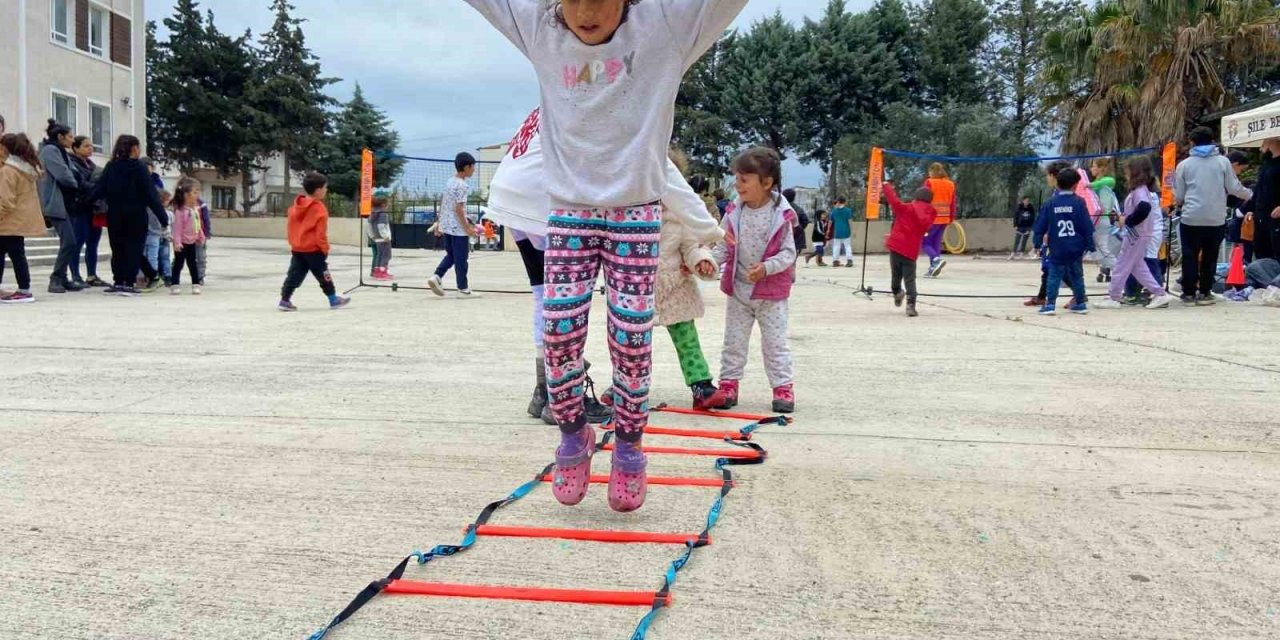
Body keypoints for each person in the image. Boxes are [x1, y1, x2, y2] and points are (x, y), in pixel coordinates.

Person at [465, 0, 748, 513]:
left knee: (631, 334)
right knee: (558, 330)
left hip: (635, 214)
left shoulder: (665, 26)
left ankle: (631, 446)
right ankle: (574, 435)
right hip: (570, 212)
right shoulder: (542, 27)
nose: (586, 11)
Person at [707, 147, 796, 414]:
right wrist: (709, 262)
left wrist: (767, 268)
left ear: (766, 183)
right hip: (739, 291)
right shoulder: (735, 211)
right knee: (733, 341)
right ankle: (729, 384)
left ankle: (783, 387)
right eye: (737, 178)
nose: (737, 184)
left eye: (744, 179)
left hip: (770, 294)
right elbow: (725, 246)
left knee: (775, 343)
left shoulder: (780, 214)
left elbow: (789, 253)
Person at [661, 148, 726, 409]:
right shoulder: (629, 210)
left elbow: (691, 246)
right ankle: (623, 386)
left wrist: (701, 260)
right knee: (630, 345)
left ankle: (702, 387)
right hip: (636, 289)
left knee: (687, 338)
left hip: (673, 286)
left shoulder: (682, 215)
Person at [1174, 127, 1252, 305]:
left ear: (1192, 143)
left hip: (1191, 217)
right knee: (1210, 255)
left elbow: (1179, 195)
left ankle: (1188, 293)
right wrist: (1251, 195)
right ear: (1212, 141)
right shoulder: (1223, 162)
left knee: (1189, 255)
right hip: (1216, 217)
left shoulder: (1184, 165)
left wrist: (1179, 203)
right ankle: (1205, 292)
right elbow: (1234, 188)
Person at [1094, 156, 1178, 310]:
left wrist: (1128, 220)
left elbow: (1144, 208)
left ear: (1135, 172)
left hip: (1136, 235)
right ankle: (1159, 293)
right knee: (1138, 267)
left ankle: (1114, 297)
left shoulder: (1139, 191)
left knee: (1122, 264)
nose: (1126, 175)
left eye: (1127, 171)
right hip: (1139, 234)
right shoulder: (1142, 190)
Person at [88, 135, 168, 297]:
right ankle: (128, 283)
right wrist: (163, 218)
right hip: (136, 215)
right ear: (134, 149)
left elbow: (99, 189)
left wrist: (83, 201)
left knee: (118, 248)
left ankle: (119, 281)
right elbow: (151, 194)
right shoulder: (139, 168)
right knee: (133, 248)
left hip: (115, 214)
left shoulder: (111, 166)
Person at [278, 172, 349, 311]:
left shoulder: (293, 208)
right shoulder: (319, 209)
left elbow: (290, 228)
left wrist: (294, 243)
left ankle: (284, 300)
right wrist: (324, 249)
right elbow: (320, 233)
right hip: (314, 250)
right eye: (325, 187)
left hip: (297, 248)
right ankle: (333, 299)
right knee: (324, 275)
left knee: (294, 274)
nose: (326, 190)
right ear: (318, 190)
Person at [1033, 168, 1095, 315]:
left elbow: (1040, 225)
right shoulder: (1079, 202)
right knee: (1077, 275)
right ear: (1075, 185)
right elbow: (1086, 225)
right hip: (1075, 247)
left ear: (1058, 184)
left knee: (1054, 275)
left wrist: (1036, 243)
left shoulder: (1050, 203)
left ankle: (1050, 305)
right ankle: (1080, 303)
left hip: (1057, 247)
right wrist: (1090, 244)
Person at [37, 119, 85, 293]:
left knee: (69, 241)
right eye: (70, 136)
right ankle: (56, 278)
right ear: (60, 137)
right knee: (70, 242)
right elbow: (65, 175)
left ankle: (63, 278)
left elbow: (74, 172)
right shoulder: (50, 151)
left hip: (65, 203)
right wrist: (77, 183)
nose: (73, 140)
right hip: (55, 203)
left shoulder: (59, 151)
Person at [0, 134, 47, 304]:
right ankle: (24, 289)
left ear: (5, 148)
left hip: (7, 222)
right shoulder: (25, 169)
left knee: (13, 255)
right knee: (17, 255)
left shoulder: (8, 171)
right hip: (17, 221)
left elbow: (6, 201)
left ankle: (24, 290)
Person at [427, 152, 479, 297]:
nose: (474, 169)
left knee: (451, 255)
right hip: (458, 229)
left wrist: (439, 223)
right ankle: (463, 289)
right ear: (466, 167)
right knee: (461, 259)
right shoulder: (462, 185)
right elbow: (458, 208)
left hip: (447, 227)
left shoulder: (450, 181)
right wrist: (467, 228)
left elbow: (444, 204)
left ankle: (437, 276)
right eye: (473, 166)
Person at [882, 181, 936, 318]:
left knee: (896, 275)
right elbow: (927, 228)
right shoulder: (931, 213)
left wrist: (886, 186)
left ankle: (897, 292)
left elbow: (894, 201)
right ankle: (911, 306)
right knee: (910, 279)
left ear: (916, 197)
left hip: (896, 246)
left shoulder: (906, 208)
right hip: (911, 250)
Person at [1025, 161, 1075, 307]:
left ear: (1054, 176)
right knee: (1048, 267)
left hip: (1060, 238)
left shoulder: (1063, 196)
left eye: (1048, 175)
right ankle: (1042, 296)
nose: (1046, 178)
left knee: (1061, 268)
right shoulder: (1056, 194)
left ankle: (1080, 295)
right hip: (1052, 237)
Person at [68, 136, 107, 287]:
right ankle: (75, 275)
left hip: (95, 208)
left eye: (91, 146)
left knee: (93, 242)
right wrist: (97, 186)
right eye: (86, 146)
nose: (90, 148)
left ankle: (92, 274)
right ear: (76, 148)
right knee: (78, 242)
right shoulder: (72, 164)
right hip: (80, 208)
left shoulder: (92, 165)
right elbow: (79, 183)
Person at [169, 185, 205, 295]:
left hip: (192, 241)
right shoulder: (180, 212)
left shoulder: (194, 210)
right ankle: (175, 284)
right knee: (178, 264)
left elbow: (197, 224)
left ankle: (196, 284)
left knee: (192, 263)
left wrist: (200, 235)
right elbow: (177, 228)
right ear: (186, 195)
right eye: (194, 193)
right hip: (181, 243)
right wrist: (177, 242)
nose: (196, 195)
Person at [922, 163, 957, 278]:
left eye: (929, 172)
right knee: (936, 243)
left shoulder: (930, 182)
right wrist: (951, 218)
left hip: (931, 218)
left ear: (933, 171)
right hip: (944, 218)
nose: (929, 174)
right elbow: (952, 203)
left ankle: (936, 260)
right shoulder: (950, 184)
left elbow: (924, 199)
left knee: (924, 242)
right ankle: (933, 268)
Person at [1248, 137, 1280, 262]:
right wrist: (1250, 209)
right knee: (1262, 252)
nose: (1261, 147)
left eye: (1265, 141)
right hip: (1261, 216)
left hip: (1276, 218)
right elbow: (1258, 191)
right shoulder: (1266, 165)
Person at [1090, 157, 1121, 282]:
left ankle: (1120, 272)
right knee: (1098, 250)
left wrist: (1089, 185)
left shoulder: (1107, 181)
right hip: (1094, 220)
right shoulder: (1096, 183)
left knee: (1103, 249)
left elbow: (1109, 182)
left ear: (1101, 168)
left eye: (1094, 166)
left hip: (1102, 220)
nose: (1091, 168)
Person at [141, 190, 174, 291]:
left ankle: (146, 276)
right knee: (156, 257)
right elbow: (163, 227)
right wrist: (169, 236)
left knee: (145, 256)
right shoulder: (163, 212)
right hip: (156, 236)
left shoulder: (147, 209)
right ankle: (156, 276)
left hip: (145, 234)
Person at [1225, 151, 1254, 266]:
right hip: (1233, 225)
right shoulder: (1226, 173)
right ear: (1235, 164)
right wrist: (1252, 195)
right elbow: (1236, 189)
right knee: (1239, 250)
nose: (1239, 173)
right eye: (1241, 169)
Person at [367, 188, 394, 280]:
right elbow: (381, 226)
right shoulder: (382, 214)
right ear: (383, 204)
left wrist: (372, 236)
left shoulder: (372, 214)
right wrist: (386, 236)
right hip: (384, 239)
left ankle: (377, 271)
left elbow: (369, 226)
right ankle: (382, 272)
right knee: (386, 255)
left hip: (377, 238)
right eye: (386, 204)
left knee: (379, 254)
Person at [783, 187, 808, 263]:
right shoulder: (798, 209)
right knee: (793, 259)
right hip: (797, 237)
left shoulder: (781, 208)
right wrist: (798, 228)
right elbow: (805, 221)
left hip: (784, 237)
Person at [828, 196, 854, 267]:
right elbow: (850, 221)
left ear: (838, 202)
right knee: (847, 246)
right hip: (846, 231)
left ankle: (835, 261)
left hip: (837, 232)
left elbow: (830, 222)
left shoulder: (834, 211)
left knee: (836, 246)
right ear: (845, 202)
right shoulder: (848, 210)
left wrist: (828, 230)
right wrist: (852, 230)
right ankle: (849, 261)